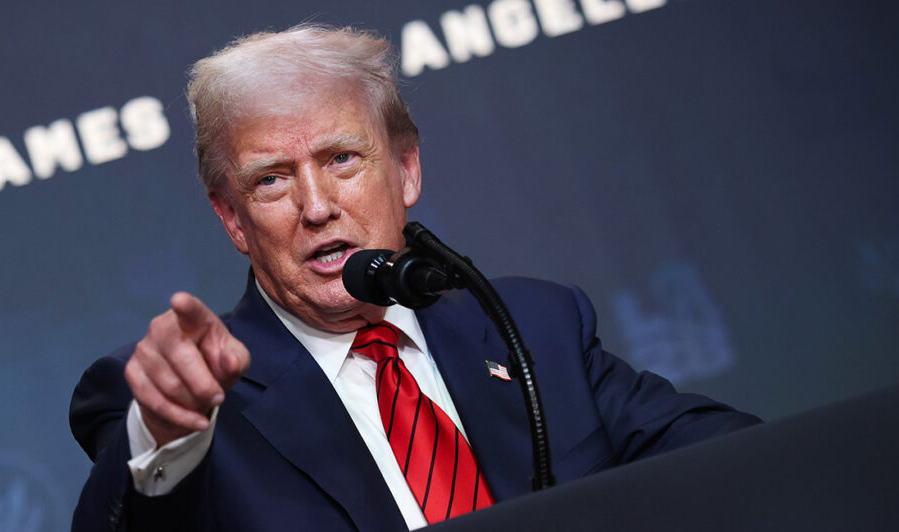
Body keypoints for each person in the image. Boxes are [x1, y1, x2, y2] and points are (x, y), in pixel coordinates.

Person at [70, 24, 760, 531]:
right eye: (272, 180)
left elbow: (742, 460)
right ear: (232, 218)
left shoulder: (533, 326)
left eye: (342, 159)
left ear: (406, 171)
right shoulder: (178, 400)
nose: (316, 207)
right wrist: (163, 436)